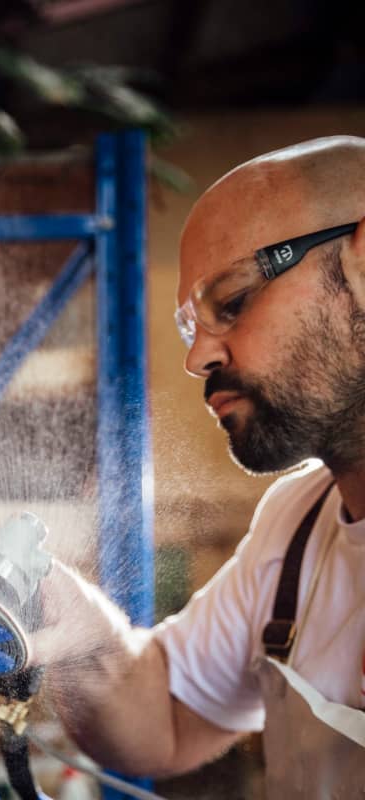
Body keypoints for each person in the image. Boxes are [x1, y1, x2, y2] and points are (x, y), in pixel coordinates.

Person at [36, 135, 365, 797]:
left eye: (234, 302)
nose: (197, 360)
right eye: (193, 327)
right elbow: (165, 720)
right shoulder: (298, 524)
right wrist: (71, 627)